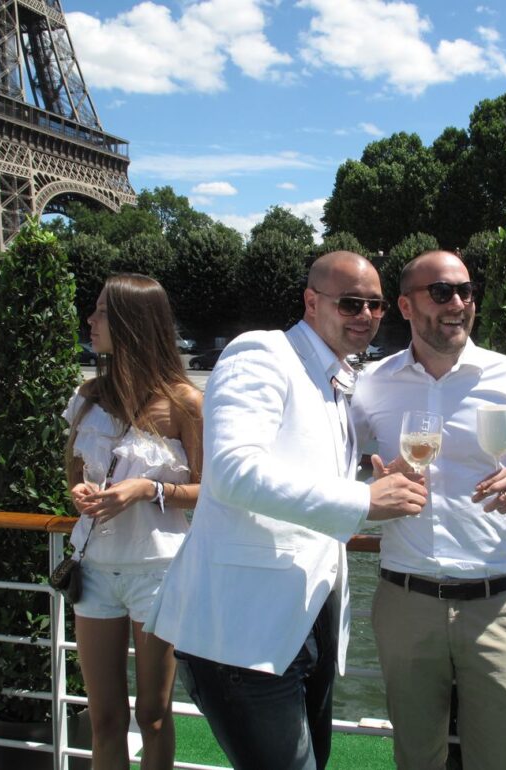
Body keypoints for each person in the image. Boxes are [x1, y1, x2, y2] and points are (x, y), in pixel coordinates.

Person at [146, 251, 427, 770]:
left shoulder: (334, 378)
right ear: (311, 301)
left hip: (305, 624)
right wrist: (365, 500)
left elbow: (301, 475)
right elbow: (233, 472)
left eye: (376, 305)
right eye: (351, 303)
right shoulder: (262, 354)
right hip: (242, 632)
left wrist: (369, 484)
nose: (365, 315)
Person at [351, 250, 506, 770]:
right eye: (441, 292)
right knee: (416, 757)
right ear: (406, 306)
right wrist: (372, 488)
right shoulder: (373, 383)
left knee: (505, 758)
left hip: (494, 604)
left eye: (466, 291)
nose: (458, 302)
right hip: (406, 601)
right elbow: (338, 469)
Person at [64, 274, 203, 770]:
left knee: (154, 715)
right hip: (95, 569)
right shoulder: (88, 396)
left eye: (102, 311)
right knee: (103, 717)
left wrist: (148, 489)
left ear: (132, 322)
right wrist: (81, 494)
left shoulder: (185, 403)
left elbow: (210, 493)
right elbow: (74, 475)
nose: (91, 320)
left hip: (159, 573)